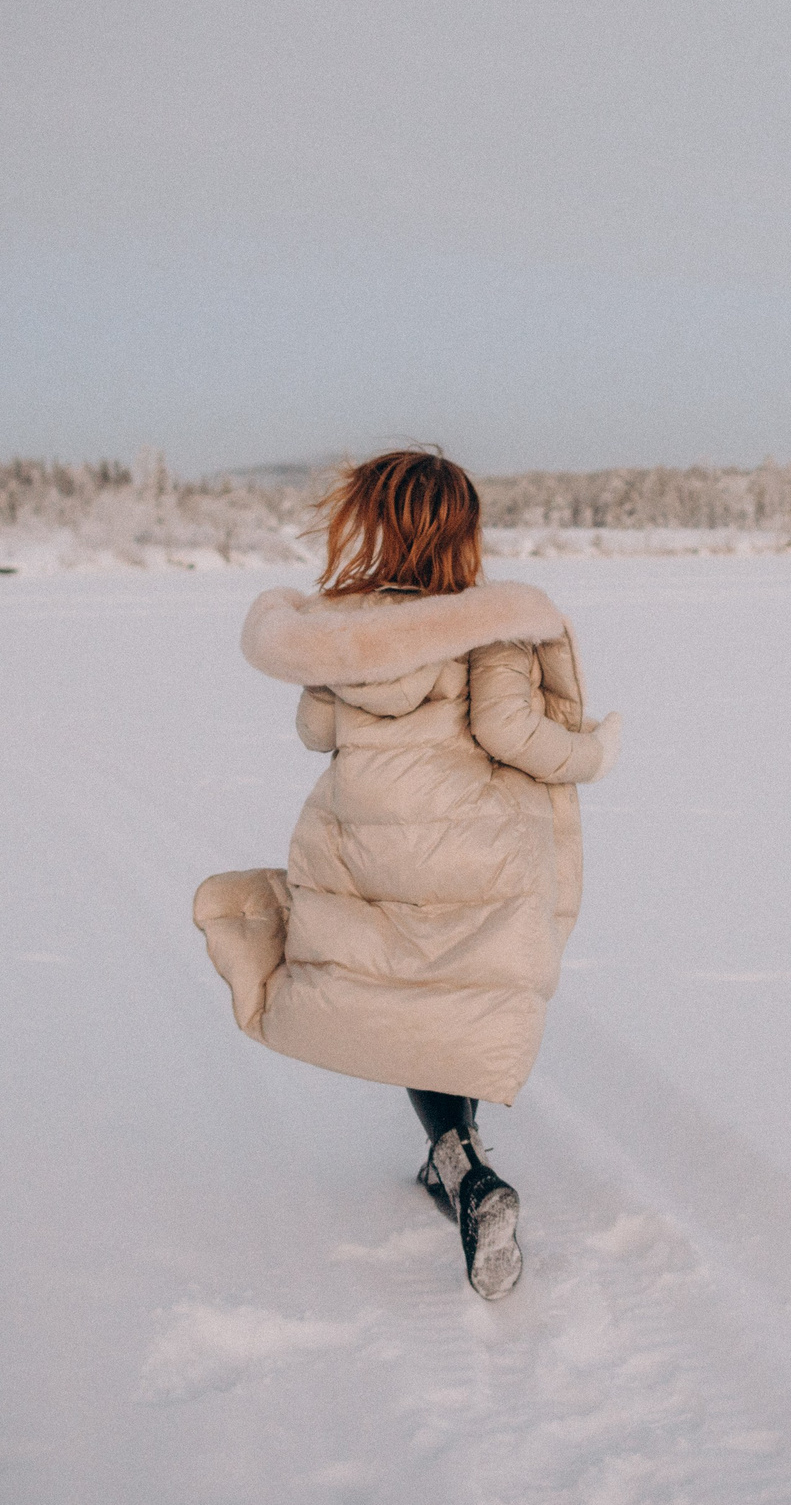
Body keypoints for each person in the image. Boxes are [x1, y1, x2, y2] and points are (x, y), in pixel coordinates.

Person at [192, 450, 620, 1298]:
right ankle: (465, 1168)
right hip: (467, 843)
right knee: (450, 996)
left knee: (411, 1000)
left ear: (375, 526)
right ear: (463, 532)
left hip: (366, 844)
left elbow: (317, 730)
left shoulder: (343, 630)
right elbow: (508, 729)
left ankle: (453, 1158)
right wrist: (593, 752)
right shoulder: (490, 621)